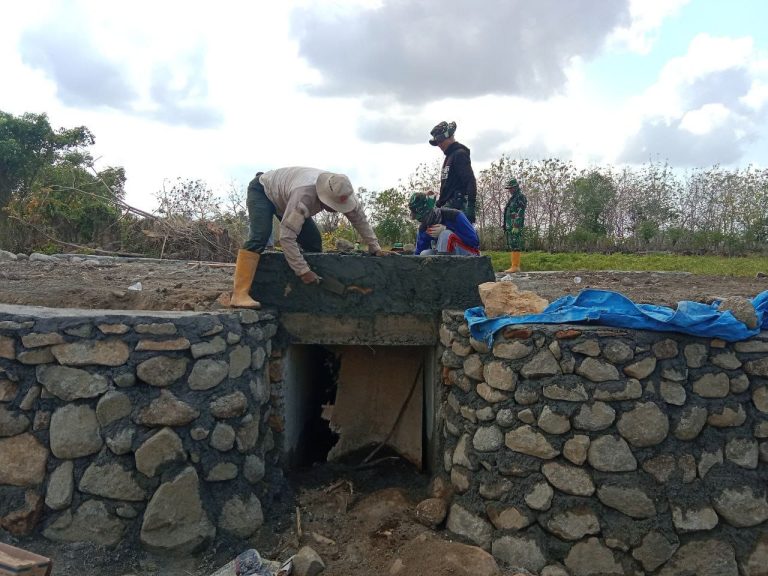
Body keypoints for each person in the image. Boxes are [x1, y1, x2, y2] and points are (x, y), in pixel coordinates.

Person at [230, 167, 387, 308]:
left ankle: (305, 292)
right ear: (324, 197)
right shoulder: (304, 196)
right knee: (260, 237)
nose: (337, 210)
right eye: (334, 206)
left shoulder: (342, 191)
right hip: (263, 191)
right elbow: (286, 238)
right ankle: (239, 295)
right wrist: (303, 271)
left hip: (286, 198)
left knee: (313, 242)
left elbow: (359, 219)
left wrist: (375, 247)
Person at [429, 121, 477, 223]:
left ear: (449, 137)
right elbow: (447, 188)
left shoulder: (459, 154)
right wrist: (438, 204)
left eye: (441, 141)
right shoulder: (449, 157)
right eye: (437, 142)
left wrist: (471, 206)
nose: (439, 145)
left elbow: (470, 180)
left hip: (457, 208)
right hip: (447, 207)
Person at [408, 192, 480, 256]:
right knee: (424, 254)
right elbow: (418, 253)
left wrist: (445, 229)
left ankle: (442, 265)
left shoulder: (454, 215)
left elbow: (474, 241)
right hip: (447, 256)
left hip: (470, 253)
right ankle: (440, 264)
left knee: (445, 234)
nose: (422, 221)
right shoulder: (424, 228)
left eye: (422, 218)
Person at [502, 177, 527, 273]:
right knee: (512, 244)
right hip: (510, 225)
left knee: (515, 243)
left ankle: (515, 266)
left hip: (515, 225)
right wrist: (505, 225)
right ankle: (513, 265)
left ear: (516, 187)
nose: (509, 190)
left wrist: (516, 225)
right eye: (508, 188)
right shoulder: (513, 198)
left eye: (511, 188)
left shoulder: (520, 197)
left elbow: (521, 211)